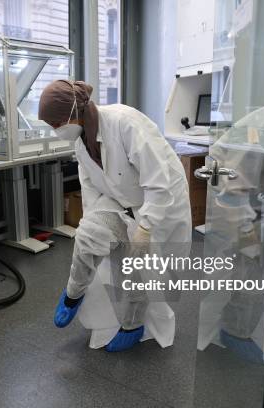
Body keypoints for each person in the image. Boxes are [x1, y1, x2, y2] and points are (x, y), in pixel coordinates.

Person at [39, 80, 192, 352]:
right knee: (87, 239)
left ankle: (134, 324)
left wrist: (144, 228)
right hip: (117, 199)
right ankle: (72, 295)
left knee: (137, 264)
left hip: (159, 201)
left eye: (56, 124)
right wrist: (93, 225)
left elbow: (159, 182)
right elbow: (90, 191)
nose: (56, 131)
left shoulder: (125, 123)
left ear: (72, 114)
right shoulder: (80, 144)